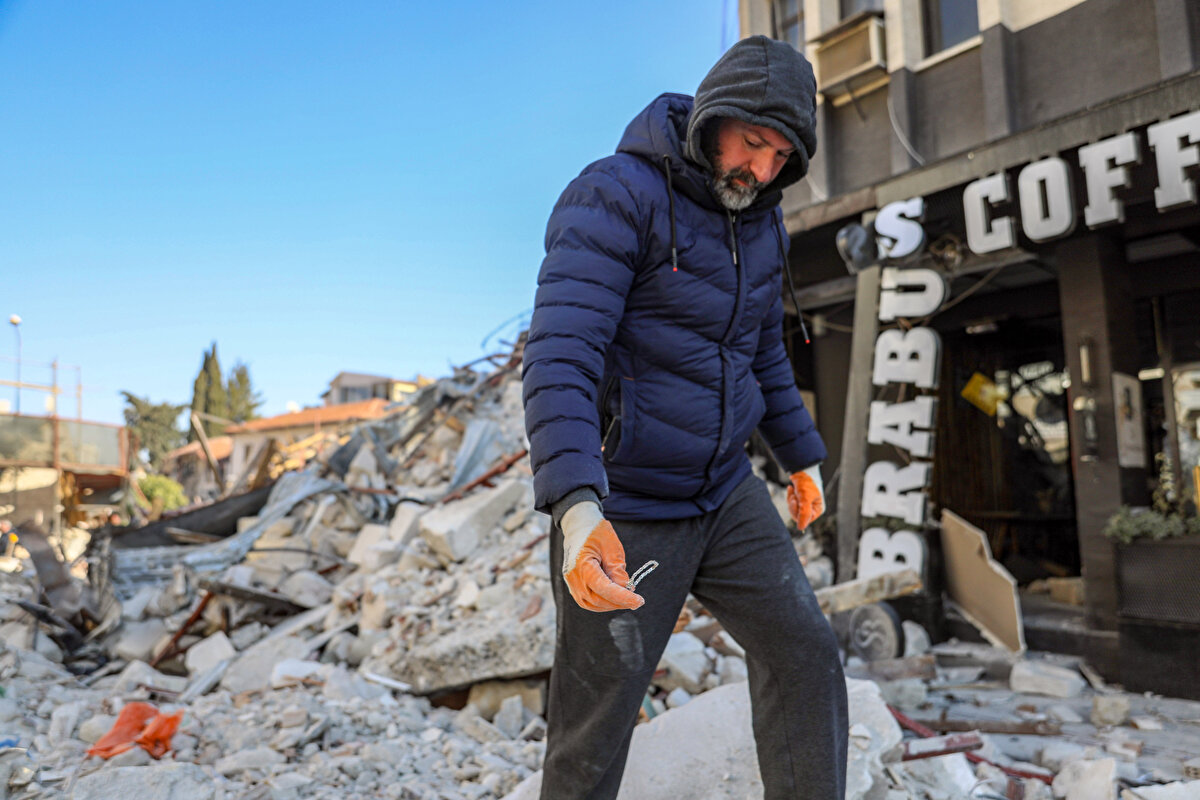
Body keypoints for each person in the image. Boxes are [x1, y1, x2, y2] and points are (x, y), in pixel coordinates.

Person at [522, 35, 848, 799]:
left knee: (805, 655)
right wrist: (575, 507)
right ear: (712, 120)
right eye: (754, 144)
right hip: (629, 503)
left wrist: (801, 456)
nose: (760, 170)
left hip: (727, 494)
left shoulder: (761, 221)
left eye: (780, 159)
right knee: (595, 723)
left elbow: (761, 348)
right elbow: (561, 354)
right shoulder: (614, 195)